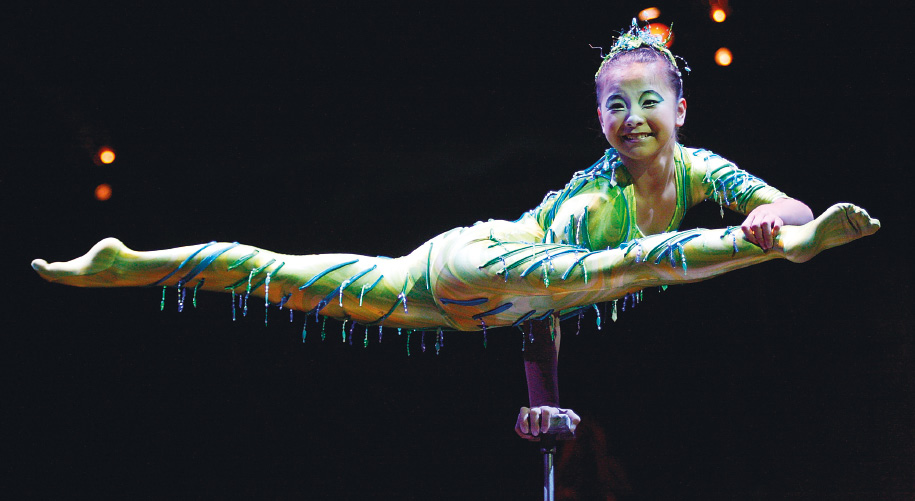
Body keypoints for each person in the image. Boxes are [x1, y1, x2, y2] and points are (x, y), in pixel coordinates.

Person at [31, 23, 878, 439]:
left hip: (467, 304)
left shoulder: (702, 172)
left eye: (647, 100)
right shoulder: (592, 204)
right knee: (633, 267)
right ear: (596, 117)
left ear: (680, 107)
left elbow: (790, 205)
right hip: (478, 261)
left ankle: (136, 264)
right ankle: (140, 261)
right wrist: (768, 243)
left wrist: (777, 216)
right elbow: (571, 283)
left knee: (288, 278)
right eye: (613, 105)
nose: (631, 118)